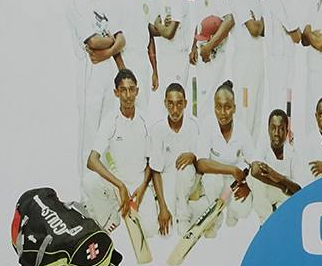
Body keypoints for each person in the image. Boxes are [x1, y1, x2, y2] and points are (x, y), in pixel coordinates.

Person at [65, 0, 126, 178]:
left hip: (107, 73)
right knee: (89, 136)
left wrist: (109, 49)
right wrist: (112, 43)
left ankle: (103, 192)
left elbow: (121, 39)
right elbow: (93, 41)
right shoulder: (75, 0)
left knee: (106, 134)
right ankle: (84, 194)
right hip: (89, 72)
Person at [85, 69, 153, 235]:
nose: (128, 95)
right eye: (123, 90)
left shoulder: (147, 120)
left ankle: (143, 205)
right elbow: (92, 160)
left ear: (137, 91)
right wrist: (120, 185)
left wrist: (143, 186)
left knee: (150, 231)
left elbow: (153, 161)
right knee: (90, 181)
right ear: (116, 93)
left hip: (138, 185)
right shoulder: (110, 121)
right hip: (116, 183)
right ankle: (109, 216)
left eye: (131, 89)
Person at [194, 81, 254, 236]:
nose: (222, 112)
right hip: (215, 178)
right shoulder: (208, 125)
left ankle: (232, 211)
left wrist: (247, 185)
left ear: (234, 108)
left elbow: (253, 163)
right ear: (213, 107)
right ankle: (215, 217)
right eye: (218, 107)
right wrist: (231, 169)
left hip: (235, 181)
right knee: (213, 182)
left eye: (227, 107)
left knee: (243, 209)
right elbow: (200, 164)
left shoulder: (242, 130)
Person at [146, 83, 201, 235]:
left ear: (185, 104)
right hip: (166, 179)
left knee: (186, 168)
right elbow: (155, 170)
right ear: (165, 103)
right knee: (161, 230)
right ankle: (176, 207)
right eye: (170, 104)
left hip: (188, 178)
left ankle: (184, 217)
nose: (175, 110)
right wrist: (163, 207)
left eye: (179, 104)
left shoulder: (193, 126)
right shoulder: (158, 129)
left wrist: (193, 156)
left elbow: (202, 162)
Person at [189, 0, 234, 120]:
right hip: (202, 53)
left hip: (214, 56)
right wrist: (194, 46)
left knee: (209, 105)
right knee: (201, 102)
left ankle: (209, 147)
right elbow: (200, 20)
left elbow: (229, 20)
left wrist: (210, 46)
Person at [261, 0, 301, 138]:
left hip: (283, 61)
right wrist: (306, 31)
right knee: (277, 110)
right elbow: (296, 34)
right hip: (278, 61)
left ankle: (284, 141)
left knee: (284, 107)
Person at [226, 0, 266, 137]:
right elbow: (255, 29)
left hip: (259, 59)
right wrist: (260, 22)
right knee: (245, 114)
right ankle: (240, 163)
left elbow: (263, 26)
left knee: (257, 115)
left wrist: (260, 22)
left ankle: (252, 164)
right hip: (245, 62)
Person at [111, 0, 157, 113]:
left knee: (143, 113)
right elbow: (113, 36)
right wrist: (123, 72)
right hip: (127, 60)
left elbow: (150, 35)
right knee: (127, 114)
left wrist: (154, 70)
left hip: (144, 63)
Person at [149, 0, 191, 120]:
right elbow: (150, 29)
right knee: (165, 107)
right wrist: (160, 26)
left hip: (178, 60)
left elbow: (170, 33)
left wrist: (160, 25)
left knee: (177, 106)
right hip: (164, 58)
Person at [247, 109, 302, 223]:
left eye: (281, 129)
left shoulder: (292, 153)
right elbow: (255, 171)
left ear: (287, 132)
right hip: (269, 191)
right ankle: (266, 222)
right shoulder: (263, 146)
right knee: (254, 180)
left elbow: (299, 189)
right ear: (268, 130)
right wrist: (281, 185)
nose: (276, 133)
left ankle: (277, 217)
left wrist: (278, 176)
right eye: (273, 128)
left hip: (283, 195)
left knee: (290, 207)